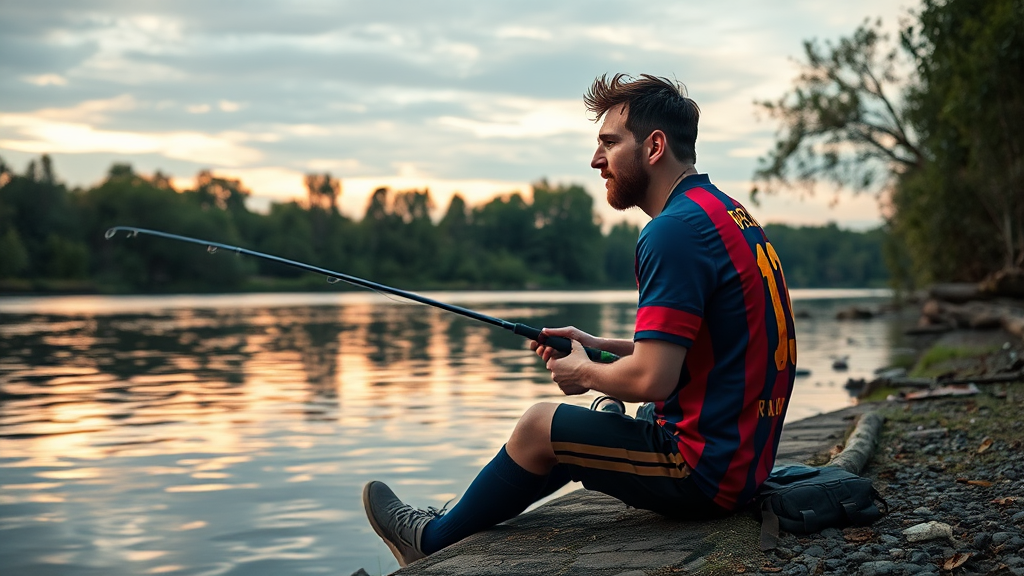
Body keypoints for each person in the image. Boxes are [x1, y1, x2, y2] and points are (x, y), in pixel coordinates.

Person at [362, 73, 797, 567]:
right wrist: (599, 347)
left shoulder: (672, 233)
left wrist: (582, 371)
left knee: (539, 426)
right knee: (608, 411)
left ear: (654, 147)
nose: (596, 160)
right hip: (742, 460)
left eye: (609, 143)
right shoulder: (723, 213)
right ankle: (475, 509)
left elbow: (655, 379)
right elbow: (707, 348)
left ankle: (430, 539)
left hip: (706, 473)